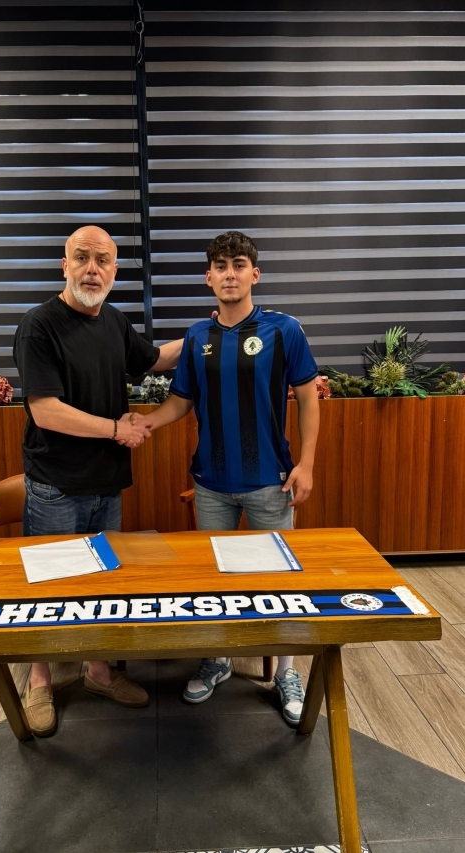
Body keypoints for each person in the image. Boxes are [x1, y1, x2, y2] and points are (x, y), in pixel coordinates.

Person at [145, 231, 320, 726]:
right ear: (208, 277)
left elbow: (308, 398)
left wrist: (307, 464)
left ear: (254, 274)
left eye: (238, 265)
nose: (229, 274)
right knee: (214, 580)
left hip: (271, 481)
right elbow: (181, 402)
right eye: (220, 266)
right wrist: (145, 423)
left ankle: (286, 671)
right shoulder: (197, 337)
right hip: (211, 484)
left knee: (279, 582)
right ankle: (218, 658)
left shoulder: (285, 330)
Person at [13, 225, 182, 736]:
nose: (92, 268)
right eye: (82, 257)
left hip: (106, 485)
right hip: (56, 486)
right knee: (49, 588)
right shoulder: (39, 326)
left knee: (103, 582)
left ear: (114, 270)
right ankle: (39, 679)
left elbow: (155, 359)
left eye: (102, 260)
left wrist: (210, 332)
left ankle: (98, 671)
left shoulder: (113, 321)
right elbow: (45, 411)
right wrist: (116, 429)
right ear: (64, 265)